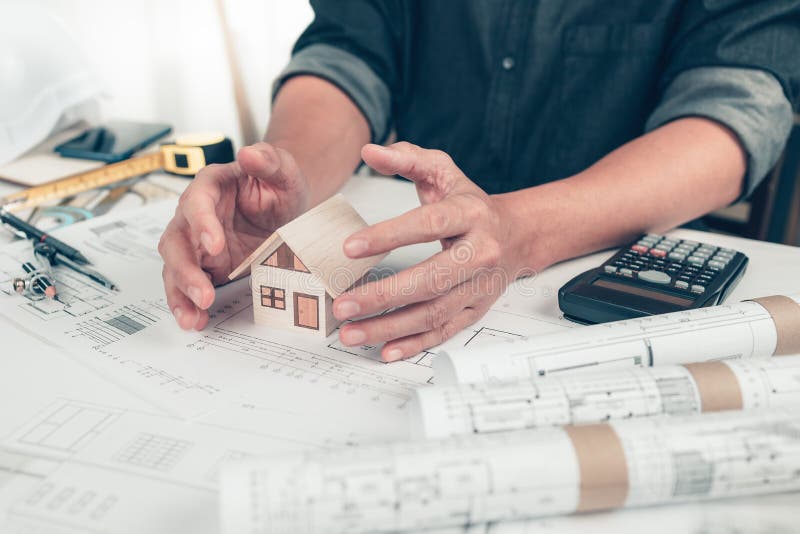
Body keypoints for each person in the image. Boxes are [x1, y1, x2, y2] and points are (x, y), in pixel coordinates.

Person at [158, 1, 800, 362]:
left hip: (605, 280)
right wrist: (284, 174)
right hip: (412, 248)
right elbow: (349, 50)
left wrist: (523, 228)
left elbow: (734, 108)